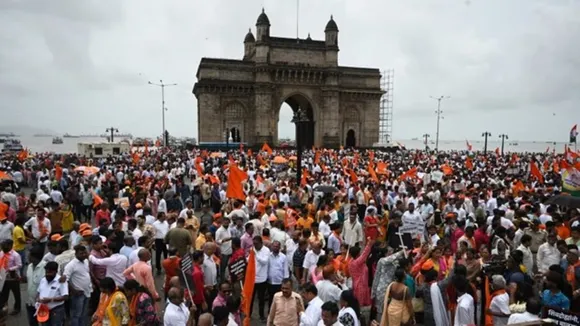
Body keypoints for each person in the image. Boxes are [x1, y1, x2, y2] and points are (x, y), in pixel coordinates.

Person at [60, 245, 93, 326]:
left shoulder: (86, 261)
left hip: (87, 291)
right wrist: (73, 290)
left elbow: (87, 273)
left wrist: (91, 284)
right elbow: (65, 279)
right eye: (81, 253)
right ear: (76, 254)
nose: (84, 255)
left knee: (84, 314)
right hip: (78, 294)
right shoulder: (71, 265)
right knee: (76, 315)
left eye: (85, 253)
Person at [36, 261, 68, 326]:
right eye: (46, 272)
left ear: (55, 271)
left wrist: (50, 299)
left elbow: (65, 297)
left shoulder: (61, 281)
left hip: (56, 310)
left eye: (50, 272)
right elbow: (39, 292)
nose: (48, 274)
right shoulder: (43, 280)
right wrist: (38, 298)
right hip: (43, 309)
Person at [0, 239, 22, 315]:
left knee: (16, 294)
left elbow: (19, 265)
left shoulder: (15, 255)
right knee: (3, 293)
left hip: (13, 278)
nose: (2, 247)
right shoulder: (1, 253)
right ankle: (2, 307)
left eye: (4, 246)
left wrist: (10, 269)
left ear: (10, 246)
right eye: (2, 246)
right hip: (3, 277)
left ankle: (17, 308)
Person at [26, 247, 46, 326]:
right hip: (30, 302)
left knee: (44, 323)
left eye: (29, 255)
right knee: (32, 322)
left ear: (34, 257)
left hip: (41, 303)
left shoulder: (45, 267)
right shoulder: (29, 266)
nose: (28, 257)